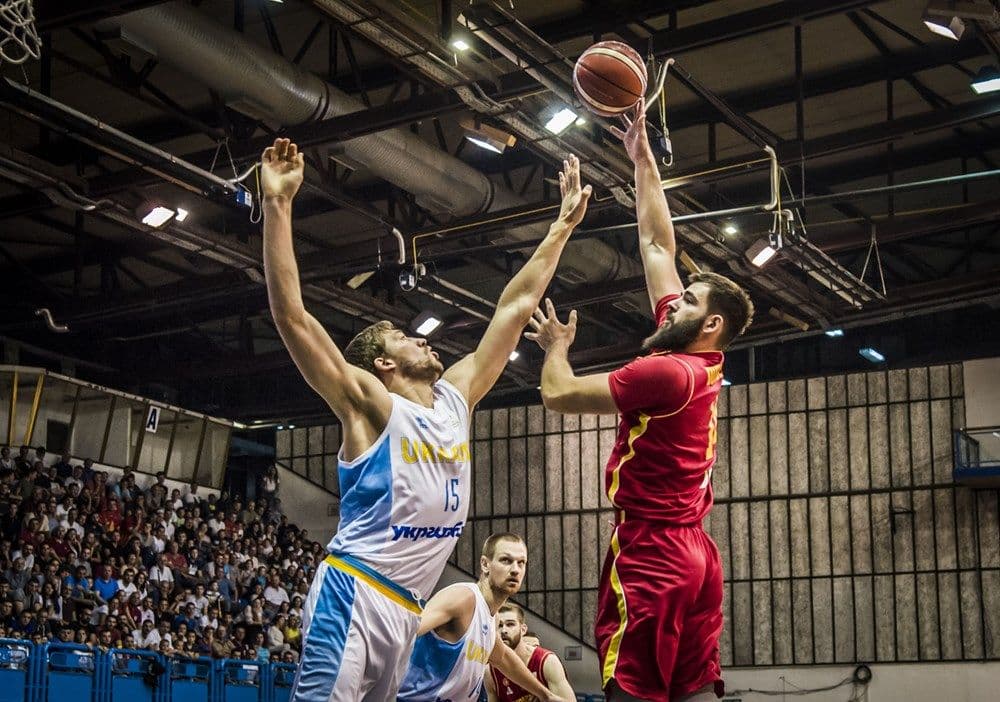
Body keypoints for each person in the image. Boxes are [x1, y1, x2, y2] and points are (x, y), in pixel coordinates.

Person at [260, 137, 592, 701]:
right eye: (401, 337)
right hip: (355, 592)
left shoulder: (455, 398)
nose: (419, 337)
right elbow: (292, 317)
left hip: (407, 606)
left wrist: (561, 226)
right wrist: (277, 204)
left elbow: (514, 308)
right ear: (383, 364)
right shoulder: (370, 404)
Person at [526, 101, 754, 702]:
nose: (675, 304)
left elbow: (558, 395)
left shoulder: (666, 373)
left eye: (689, 302)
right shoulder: (700, 360)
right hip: (698, 555)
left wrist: (556, 347)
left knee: (631, 688)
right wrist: (641, 156)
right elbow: (656, 245)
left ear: (711, 324)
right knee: (692, 689)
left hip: (652, 552)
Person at [397, 534, 569, 702]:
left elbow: (503, 658)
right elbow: (402, 632)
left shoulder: (492, 618)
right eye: (506, 560)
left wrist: (545, 695)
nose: (515, 569)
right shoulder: (463, 598)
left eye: (521, 563)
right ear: (485, 564)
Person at [487, 605, 575, 702]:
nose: (504, 630)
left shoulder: (547, 661)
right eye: (499, 626)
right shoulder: (490, 671)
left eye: (510, 624)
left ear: (523, 629)